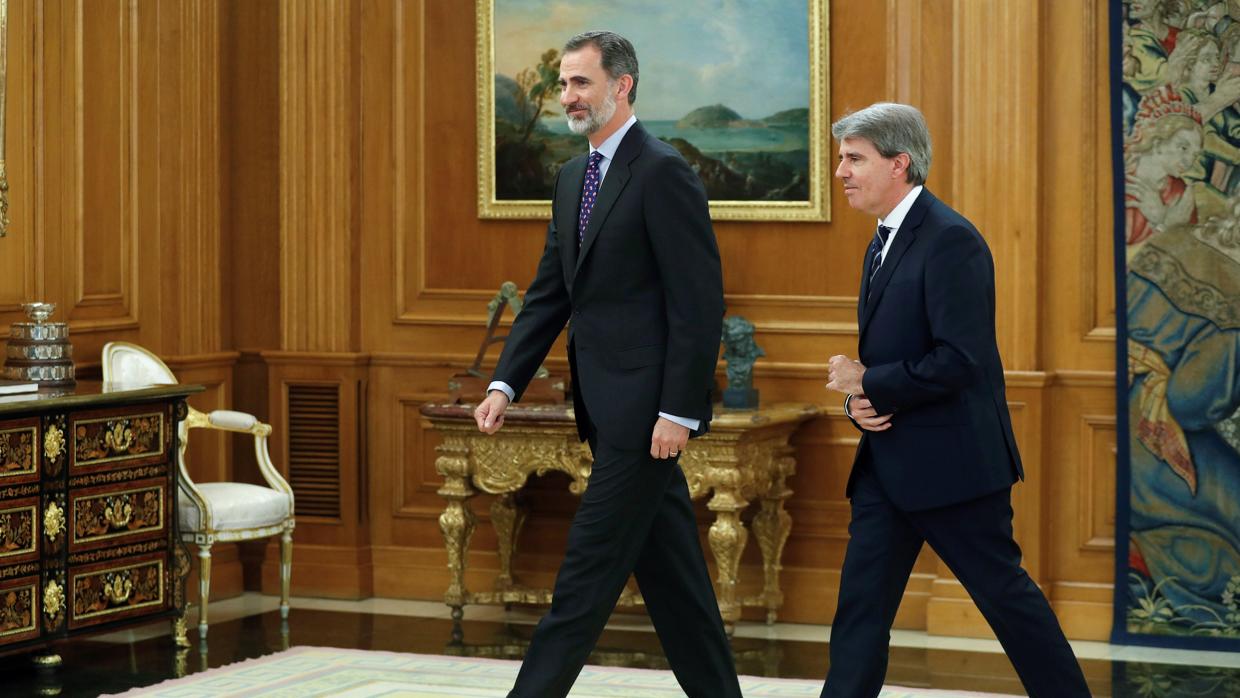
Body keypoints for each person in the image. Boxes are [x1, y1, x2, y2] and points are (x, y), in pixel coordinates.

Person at [471, 30, 741, 698]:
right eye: (563, 83)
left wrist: (679, 411)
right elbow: (551, 294)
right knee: (677, 583)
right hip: (601, 408)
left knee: (583, 578)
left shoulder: (663, 171)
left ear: (622, 86)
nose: (568, 96)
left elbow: (698, 303)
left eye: (581, 82)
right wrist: (505, 383)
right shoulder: (572, 178)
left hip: (647, 419)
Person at [821, 102, 1091, 698]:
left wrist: (867, 381)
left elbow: (960, 360)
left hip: (954, 467)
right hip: (885, 468)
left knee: (1008, 603)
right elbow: (895, 359)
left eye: (854, 159)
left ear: (900, 163)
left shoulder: (951, 240)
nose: (840, 170)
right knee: (859, 614)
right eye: (841, 158)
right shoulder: (882, 239)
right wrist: (859, 403)